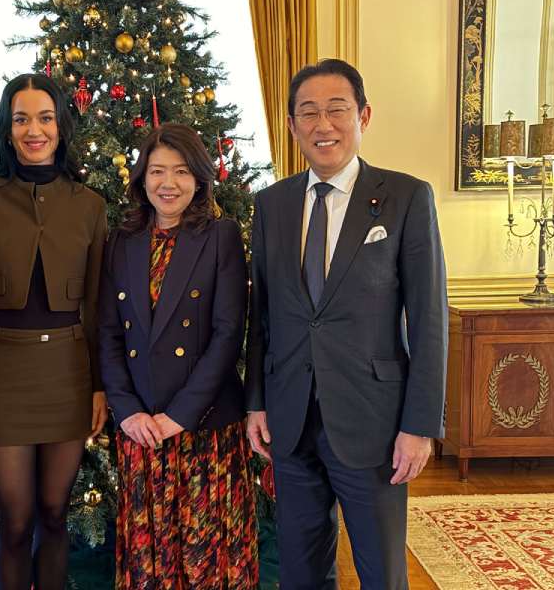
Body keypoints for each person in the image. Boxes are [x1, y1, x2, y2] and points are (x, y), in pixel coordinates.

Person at [244, 58, 448, 589]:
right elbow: (260, 316)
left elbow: (428, 319)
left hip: (374, 424)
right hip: (291, 421)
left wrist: (420, 426)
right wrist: (256, 403)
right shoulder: (271, 205)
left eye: (336, 110)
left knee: (382, 572)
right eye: (307, 113)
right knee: (301, 573)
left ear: (363, 116)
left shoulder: (406, 197)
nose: (322, 125)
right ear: (291, 126)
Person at [0, 73, 107, 590]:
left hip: (68, 372)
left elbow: (95, 303)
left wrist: (97, 384)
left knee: (53, 513)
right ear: (7, 128)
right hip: (5, 371)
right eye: (21, 118)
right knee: (16, 521)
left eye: (45, 117)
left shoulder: (89, 204)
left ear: (61, 127)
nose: (33, 129)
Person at [99, 122, 258, 588]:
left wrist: (180, 416)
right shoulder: (122, 240)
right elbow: (108, 333)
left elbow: (229, 334)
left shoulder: (221, 235)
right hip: (142, 431)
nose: (168, 184)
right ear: (142, 179)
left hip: (203, 428)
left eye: (182, 172)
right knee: (153, 562)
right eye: (157, 172)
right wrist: (126, 412)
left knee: (207, 558)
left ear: (200, 179)